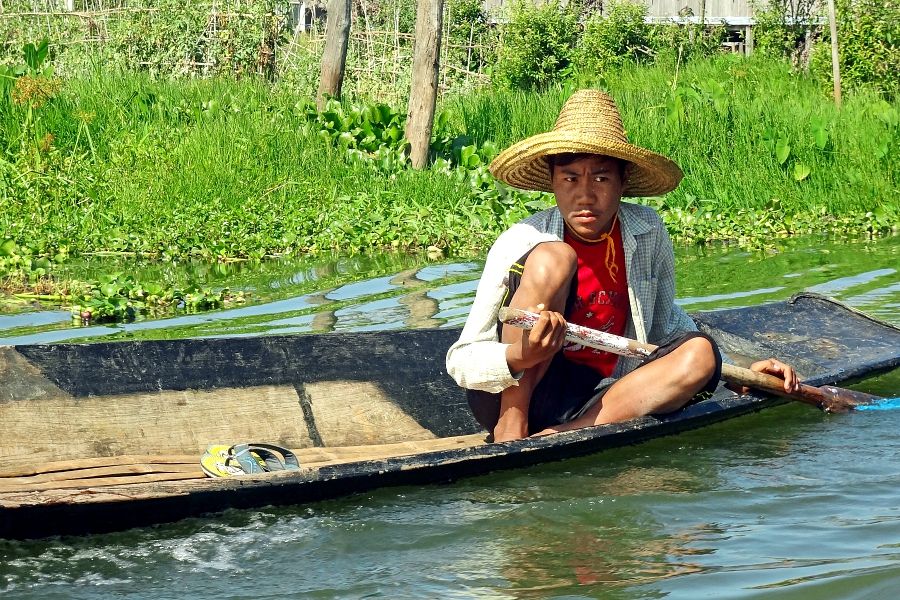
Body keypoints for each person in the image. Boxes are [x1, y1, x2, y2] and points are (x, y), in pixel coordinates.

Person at [445, 90, 800, 443]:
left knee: (700, 352)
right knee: (553, 259)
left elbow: (665, 324)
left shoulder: (646, 231)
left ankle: (566, 435)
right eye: (570, 178)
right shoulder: (521, 240)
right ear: (552, 181)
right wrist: (521, 355)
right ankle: (514, 427)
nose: (585, 195)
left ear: (623, 181)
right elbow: (462, 360)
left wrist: (736, 369)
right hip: (523, 393)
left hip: (606, 399)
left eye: (600, 178)